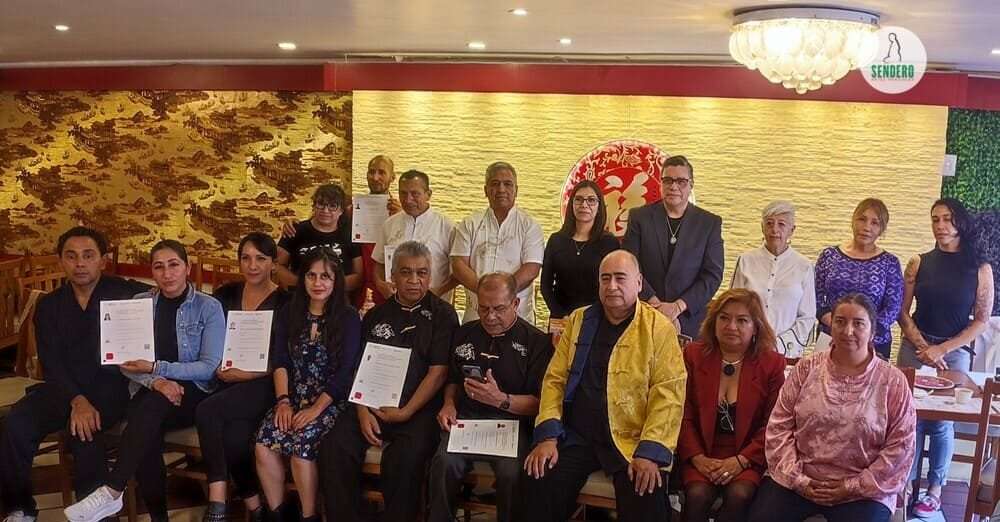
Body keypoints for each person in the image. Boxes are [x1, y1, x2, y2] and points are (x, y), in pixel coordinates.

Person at [64, 240, 226, 522]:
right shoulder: (140, 304)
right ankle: (150, 513)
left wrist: (156, 368)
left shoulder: (208, 306)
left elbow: (208, 368)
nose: (167, 274)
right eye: (159, 267)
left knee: (145, 416)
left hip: (196, 393)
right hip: (152, 389)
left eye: (174, 265)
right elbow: (126, 361)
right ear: (152, 271)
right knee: (146, 429)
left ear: (187, 268)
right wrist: (156, 381)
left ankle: (113, 491)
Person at [522, 250, 687, 522]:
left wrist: (649, 453)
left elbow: (669, 393)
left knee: (646, 491)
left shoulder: (659, 328)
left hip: (631, 440)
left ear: (639, 283)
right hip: (578, 436)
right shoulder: (578, 320)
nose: (611, 286)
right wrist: (548, 437)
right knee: (539, 476)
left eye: (620, 278)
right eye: (605, 278)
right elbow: (554, 380)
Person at [0, 227, 147, 522]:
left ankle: (96, 517)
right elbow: (51, 364)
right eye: (71, 256)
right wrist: (77, 400)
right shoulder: (49, 305)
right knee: (15, 424)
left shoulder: (126, 294)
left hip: (111, 388)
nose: (80, 263)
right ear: (61, 261)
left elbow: (165, 298)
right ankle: (20, 508)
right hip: (63, 388)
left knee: (84, 431)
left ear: (103, 260)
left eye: (88, 255)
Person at [747, 293, 915, 522]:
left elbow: (901, 446)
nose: (848, 331)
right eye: (840, 322)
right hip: (798, 478)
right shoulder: (806, 368)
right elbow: (779, 427)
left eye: (858, 323)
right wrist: (799, 480)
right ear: (830, 326)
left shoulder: (893, 381)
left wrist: (853, 486)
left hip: (864, 490)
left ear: (873, 332)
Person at [321, 241, 457, 522]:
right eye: (406, 272)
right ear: (392, 276)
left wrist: (405, 412)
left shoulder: (443, 314)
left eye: (421, 273)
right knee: (334, 448)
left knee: (403, 461)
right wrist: (362, 411)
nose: (414, 280)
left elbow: (439, 372)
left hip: (416, 409)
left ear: (430, 276)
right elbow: (359, 366)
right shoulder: (376, 315)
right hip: (370, 404)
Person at [896, 198, 995, 518]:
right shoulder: (918, 262)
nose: (940, 225)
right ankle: (903, 485)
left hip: (954, 354)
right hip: (915, 348)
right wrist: (924, 346)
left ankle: (934, 491)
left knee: (941, 423)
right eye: (935, 219)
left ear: (960, 222)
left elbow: (981, 321)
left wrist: (942, 349)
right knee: (907, 419)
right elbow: (901, 311)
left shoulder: (980, 269)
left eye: (948, 219)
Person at [428, 272, 552, 522]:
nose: (490, 316)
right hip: (467, 421)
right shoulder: (463, 334)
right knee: (443, 464)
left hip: (512, 425)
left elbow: (542, 404)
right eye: (483, 308)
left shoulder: (537, 342)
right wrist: (449, 404)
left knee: (512, 473)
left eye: (499, 309)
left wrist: (501, 399)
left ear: (515, 303)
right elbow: (453, 380)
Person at [254, 248, 361, 522]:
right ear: (302, 279)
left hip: (330, 402)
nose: (317, 283)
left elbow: (346, 373)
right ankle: (278, 514)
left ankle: (308, 515)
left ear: (335, 281)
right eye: (311, 276)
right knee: (264, 443)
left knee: (302, 447)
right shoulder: (289, 312)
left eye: (325, 277)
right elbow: (280, 360)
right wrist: (283, 402)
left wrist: (315, 410)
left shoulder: (348, 317)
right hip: (293, 398)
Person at [195, 233, 290, 522]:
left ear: (273, 263)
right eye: (245, 258)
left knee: (206, 410)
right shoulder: (225, 294)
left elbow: (286, 357)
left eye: (261, 258)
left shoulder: (287, 302)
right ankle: (256, 508)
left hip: (265, 382)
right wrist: (216, 364)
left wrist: (247, 374)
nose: (252, 265)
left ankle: (217, 503)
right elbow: (208, 335)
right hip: (227, 381)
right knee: (235, 440)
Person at [677, 289, 786, 522]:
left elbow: (774, 424)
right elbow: (682, 414)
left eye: (742, 320)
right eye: (724, 318)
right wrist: (697, 457)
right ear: (713, 321)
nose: (731, 326)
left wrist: (741, 461)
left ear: (756, 327)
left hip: (747, 456)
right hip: (701, 453)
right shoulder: (693, 355)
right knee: (697, 495)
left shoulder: (772, 364)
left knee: (739, 495)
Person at [623, 155, 724, 338]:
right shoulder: (640, 218)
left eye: (681, 181)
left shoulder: (709, 223)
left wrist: (678, 307)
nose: (673, 187)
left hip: (689, 319)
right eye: (668, 180)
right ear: (661, 183)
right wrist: (655, 305)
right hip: (645, 312)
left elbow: (712, 276)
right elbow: (630, 266)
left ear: (691, 185)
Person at [451, 161, 544, 324]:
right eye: (495, 184)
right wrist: (485, 293)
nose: (501, 189)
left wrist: (502, 294)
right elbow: (459, 264)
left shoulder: (530, 226)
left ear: (516, 190)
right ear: (485, 190)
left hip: (518, 316)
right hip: (476, 314)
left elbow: (531, 268)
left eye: (507, 184)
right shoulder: (470, 224)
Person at [814, 198, 903, 359]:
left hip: (874, 341)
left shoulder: (890, 262)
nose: (867, 227)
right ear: (853, 221)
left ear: (882, 229)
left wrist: (864, 332)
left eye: (875, 223)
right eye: (862, 219)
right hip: (830, 336)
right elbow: (815, 296)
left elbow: (893, 307)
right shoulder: (829, 256)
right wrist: (838, 326)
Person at [731, 201, 816, 358]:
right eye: (769, 223)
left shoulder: (804, 266)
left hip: (787, 353)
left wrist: (778, 345)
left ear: (792, 230)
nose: (774, 230)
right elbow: (733, 307)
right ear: (762, 227)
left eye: (781, 224)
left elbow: (807, 317)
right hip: (747, 349)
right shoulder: (746, 260)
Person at [372, 169, 457, 303]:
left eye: (415, 194)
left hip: (435, 305)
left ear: (428, 194)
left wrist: (437, 291)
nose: (408, 200)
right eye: (403, 193)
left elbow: (458, 273)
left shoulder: (447, 226)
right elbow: (379, 263)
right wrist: (380, 284)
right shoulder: (389, 224)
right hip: (396, 304)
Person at [541, 179, 620, 319]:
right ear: (571, 204)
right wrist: (561, 315)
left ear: (599, 206)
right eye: (578, 199)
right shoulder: (556, 240)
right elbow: (545, 286)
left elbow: (613, 285)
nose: (584, 205)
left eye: (591, 200)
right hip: (561, 319)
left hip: (598, 318)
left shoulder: (609, 243)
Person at [276, 183, 362, 292]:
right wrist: (303, 285)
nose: (325, 210)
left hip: (338, 298)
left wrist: (327, 287)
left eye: (332, 206)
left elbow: (358, 276)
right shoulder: (295, 230)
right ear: (314, 206)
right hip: (300, 296)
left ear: (341, 210)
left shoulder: (349, 235)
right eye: (321, 204)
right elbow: (277, 265)